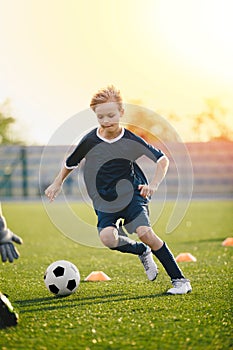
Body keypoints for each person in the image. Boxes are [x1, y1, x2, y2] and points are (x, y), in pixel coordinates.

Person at [45, 85, 192, 295]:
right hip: (105, 201)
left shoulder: (130, 139)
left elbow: (162, 160)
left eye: (111, 115)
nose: (106, 121)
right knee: (108, 239)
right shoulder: (89, 140)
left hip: (133, 195)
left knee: (145, 233)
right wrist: (57, 182)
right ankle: (141, 250)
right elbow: (70, 162)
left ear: (122, 112)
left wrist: (154, 184)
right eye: (101, 117)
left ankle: (180, 281)